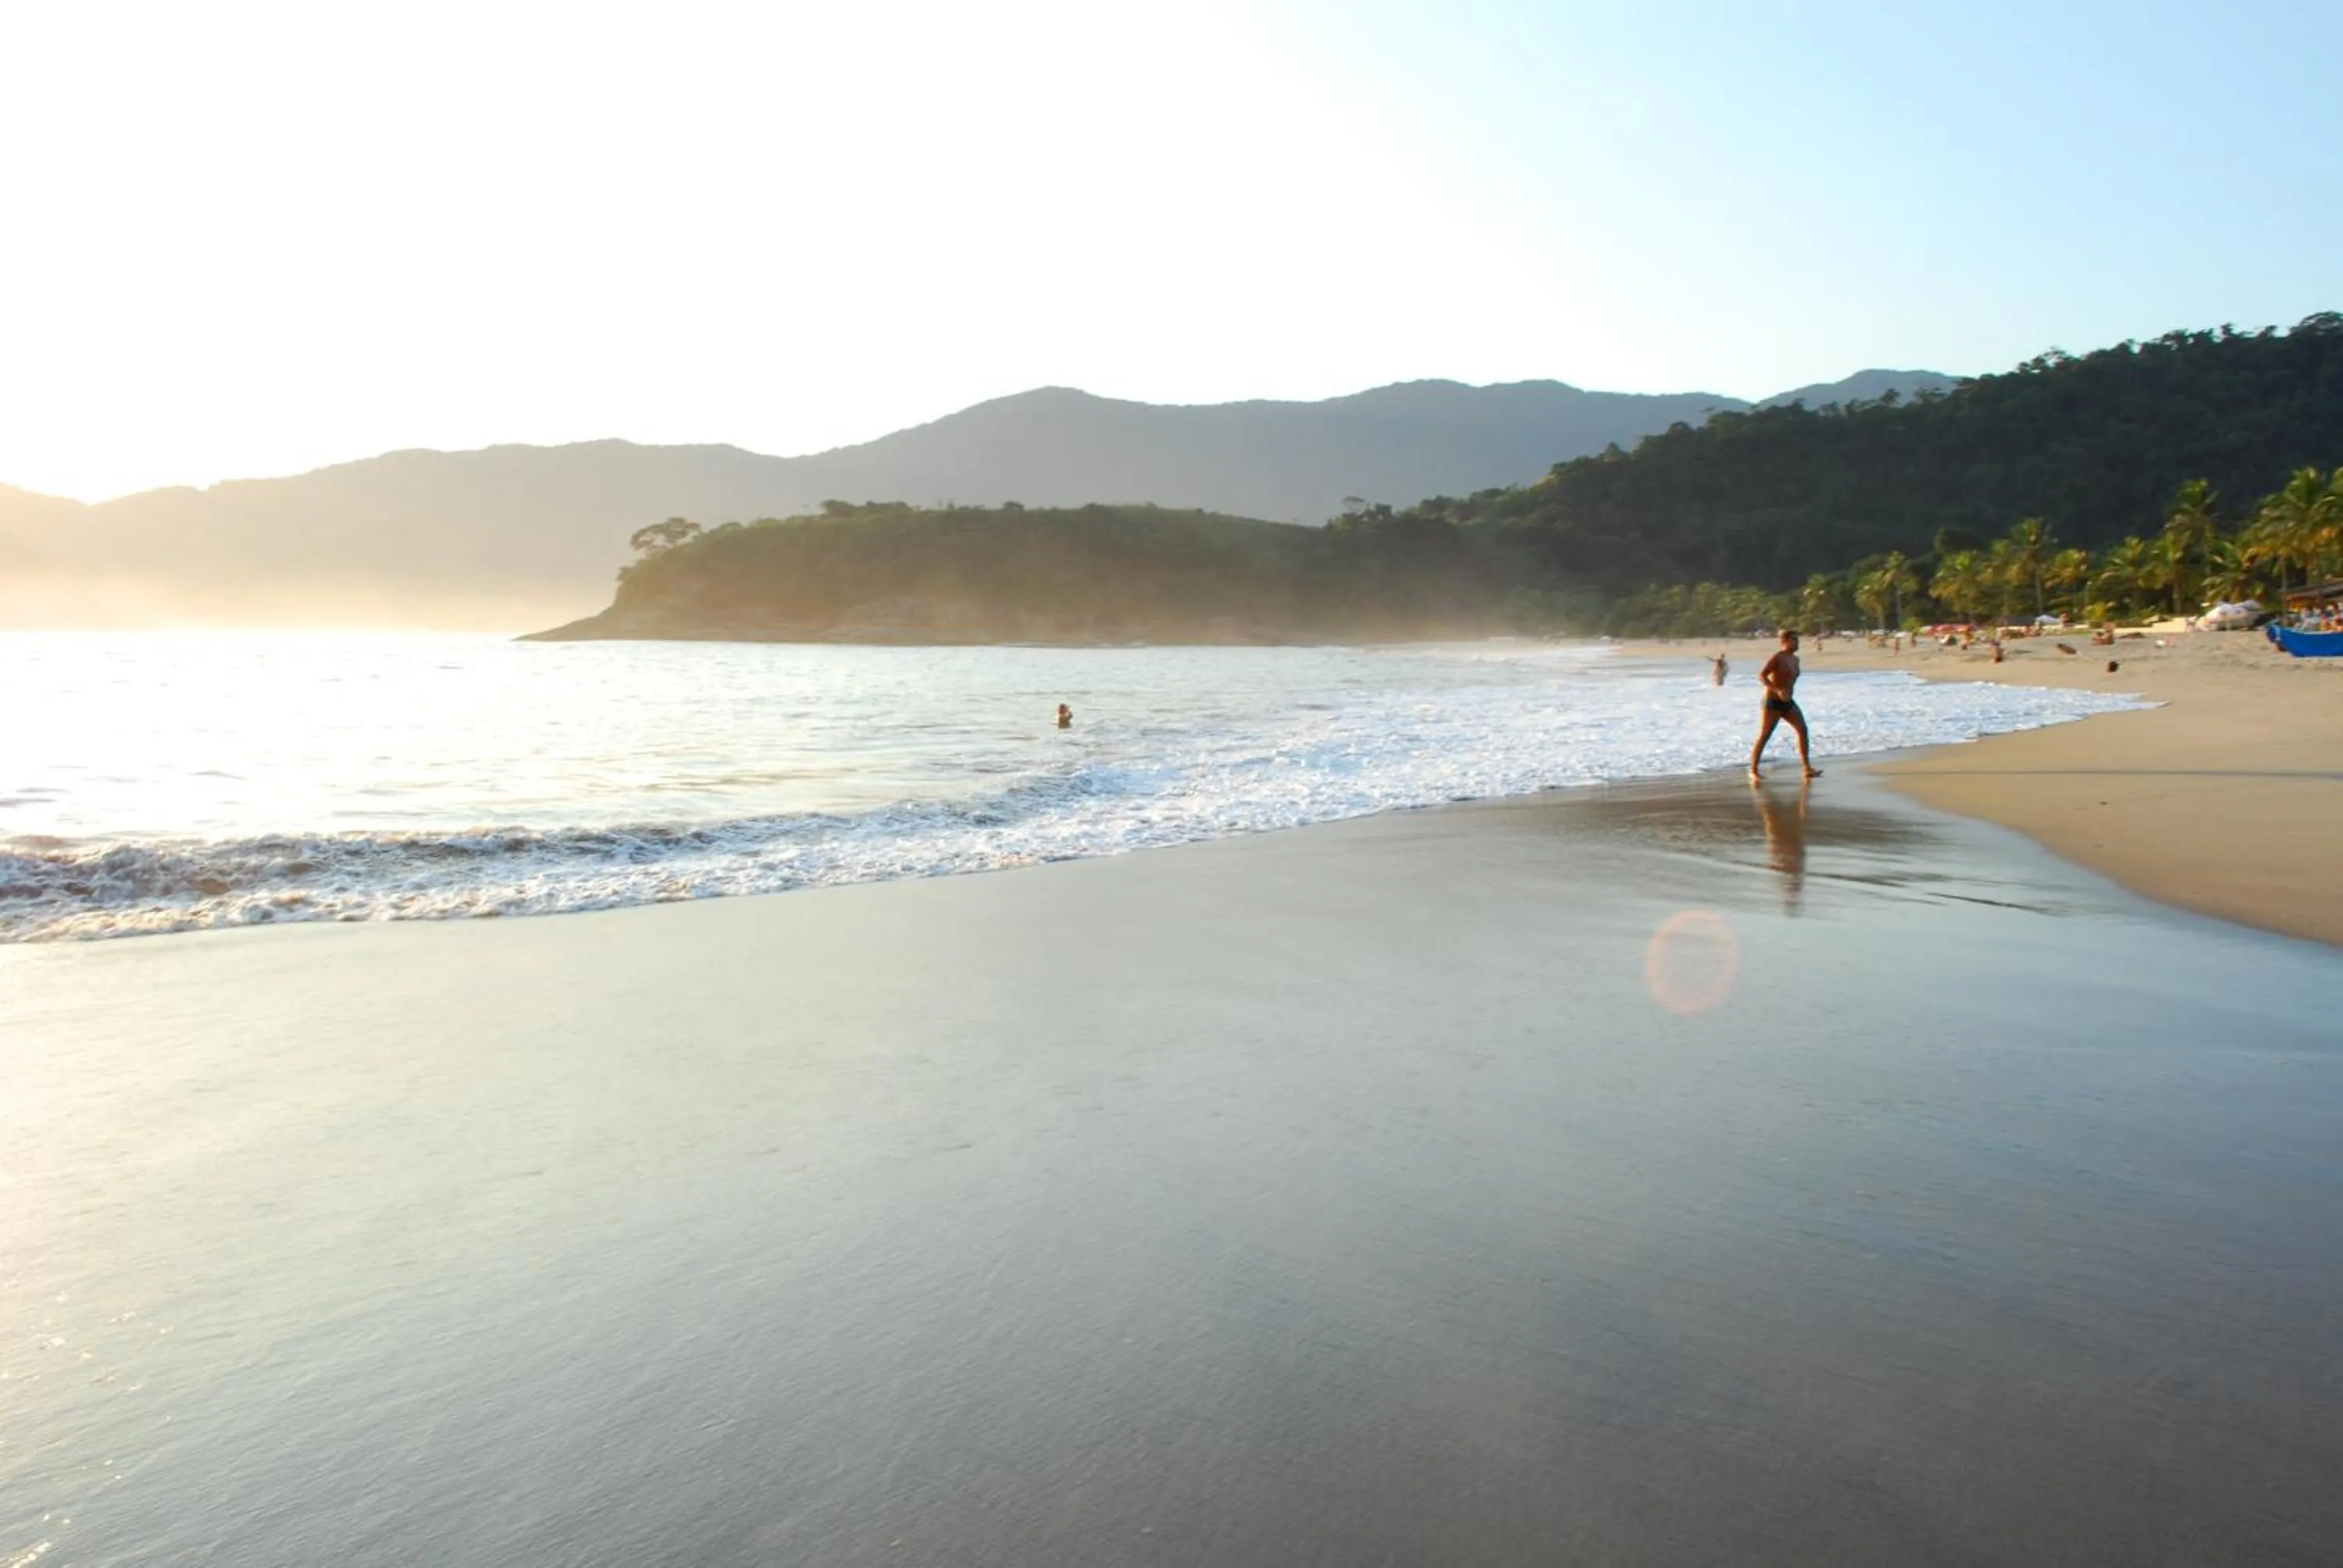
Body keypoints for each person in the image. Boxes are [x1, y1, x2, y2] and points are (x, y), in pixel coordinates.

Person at [1748, 629, 1821, 782]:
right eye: (1794, 640)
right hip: (1773, 701)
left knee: (1803, 729)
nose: (1797, 643)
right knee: (1766, 734)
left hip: (1788, 701)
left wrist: (1786, 692)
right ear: (1785, 642)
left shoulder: (1795, 659)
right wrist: (1777, 690)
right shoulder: (1777, 657)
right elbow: (1762, 675)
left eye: (1798, 641)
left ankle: (1807, 768)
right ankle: (1753, 770)